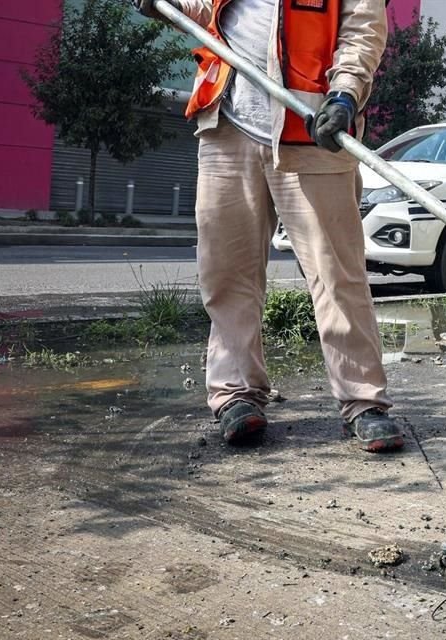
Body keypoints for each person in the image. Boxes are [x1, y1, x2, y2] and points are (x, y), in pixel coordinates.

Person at [135, 0, 403, 452]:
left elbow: (362, 31)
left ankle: (363, 401)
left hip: (311, 130)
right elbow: (208, 8)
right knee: (227, 272)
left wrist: (345, 96)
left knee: (336, 273)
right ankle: (236, 394)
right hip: (228, 127)